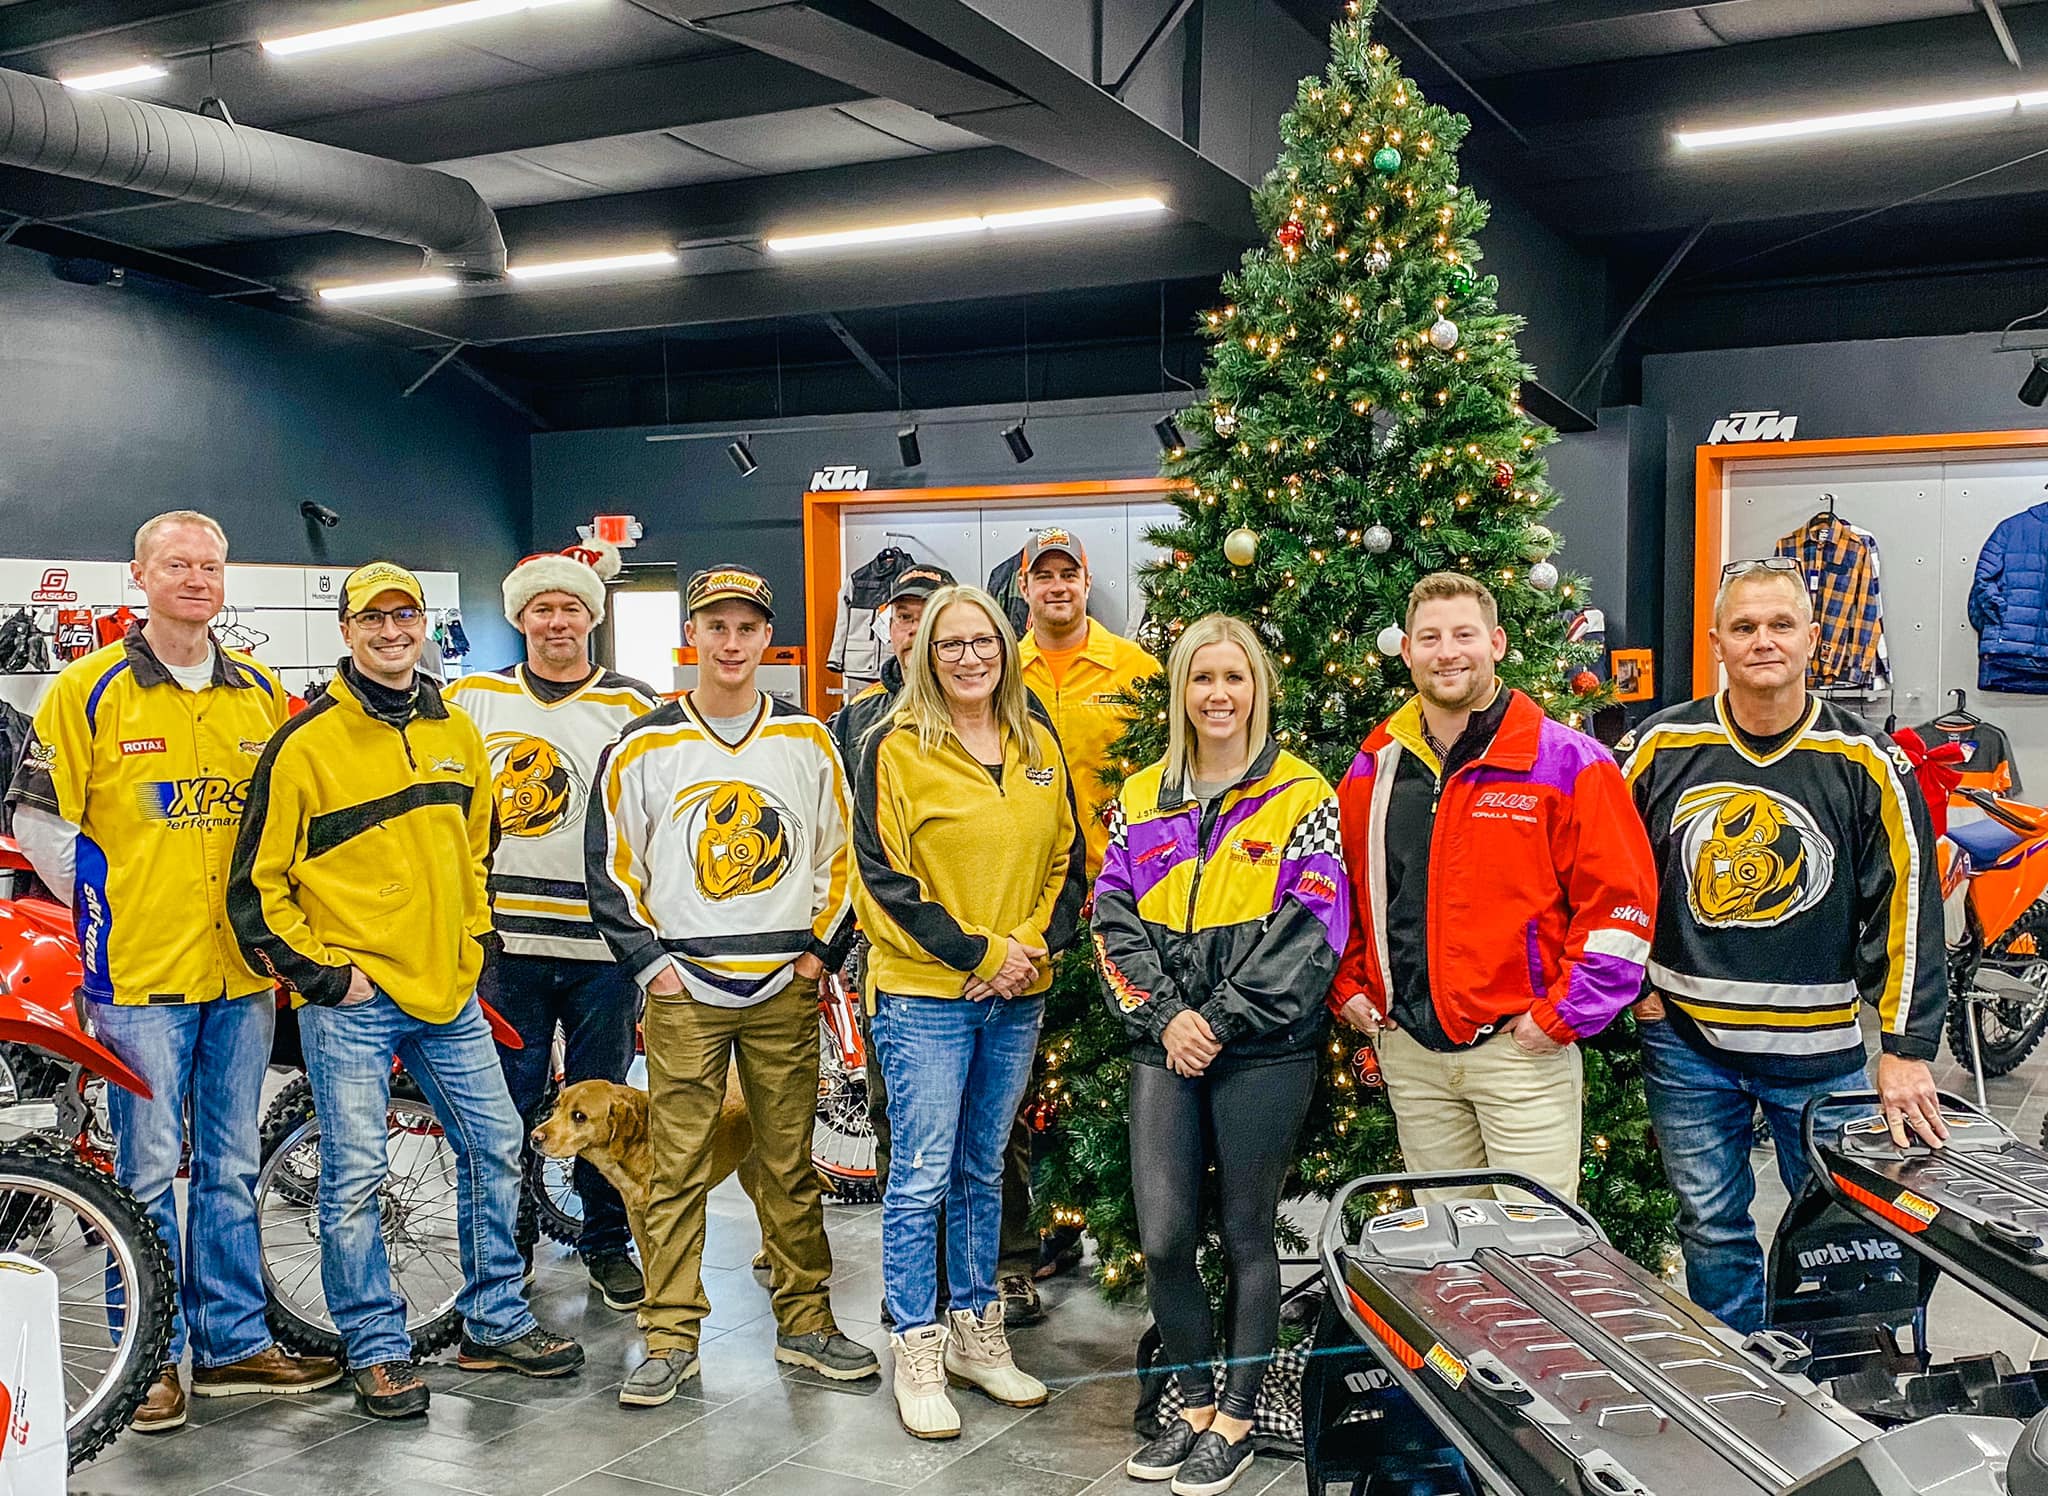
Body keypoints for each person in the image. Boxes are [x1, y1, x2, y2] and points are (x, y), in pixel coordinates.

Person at [5, 511, 340, 1432]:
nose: (196, 578)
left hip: (238, 972)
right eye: (177, 565)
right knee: (147, 1170)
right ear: (140, 577)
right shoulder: (87, 688)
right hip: (139, 974)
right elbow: (38, 822)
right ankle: (147, 1356)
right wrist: (106, 904)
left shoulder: (261, 691)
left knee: (229, 1165)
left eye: (210, 565)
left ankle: (231, 1349)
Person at [229, 560, 584, 1420]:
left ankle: (493, 1320)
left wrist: (472, 941)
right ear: (347, 632)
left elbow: (475, 849)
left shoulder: (458, 733)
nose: (392, 634)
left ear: (423, 627)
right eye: (373, 620)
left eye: (406, 618)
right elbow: (256, 887)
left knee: (498, 1145)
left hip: (448, 990)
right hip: (352, 996)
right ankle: (377, 1348)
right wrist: (324, 976)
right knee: (354, 1176)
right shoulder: (306, 743)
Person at [1621, 558, 1946, 1332]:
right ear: (1717, 644)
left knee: (1840, 1231)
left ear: (1813, 638)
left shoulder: (1867, 760)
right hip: (1688, 1047)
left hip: (1822, 1057)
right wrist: (1636, 988)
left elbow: (1907, 906)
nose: (1762, 640)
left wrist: (1904, 1046)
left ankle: (1837, 1394)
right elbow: (1601, 874)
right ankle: (1740, 1391)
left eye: (1779, 625)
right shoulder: (1658, 747)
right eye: (1744, 627)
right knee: (1711, 1228)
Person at [586, 565, 877, 1409]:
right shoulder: (643, 744)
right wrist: (652, 966)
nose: (731, 641)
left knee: (788, 1164)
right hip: (685, 991)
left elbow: (842, 852)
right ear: (695, 635)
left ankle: (806, 1322)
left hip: (784, 984)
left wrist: (821, 952)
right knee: (674, 1167)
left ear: (765, 638)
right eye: (715, 625)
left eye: (747, 627)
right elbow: (612, 865)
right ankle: (671, 1335)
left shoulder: (810, 741)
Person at [1092, 614, 1347, 1496]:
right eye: (1203, 679)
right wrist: (1169, 1017)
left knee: (1245, 1233)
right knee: (1163, 1236)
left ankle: (1236, 1419)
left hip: (1266, 1049)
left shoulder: (1301, 794)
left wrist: (1222, 1020)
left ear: (1257, 691)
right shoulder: (1139, 799)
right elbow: (1110, 919)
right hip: (1163, 1042)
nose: (1219, 695)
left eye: (1235, 678)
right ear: (1181, 692)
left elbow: (1314, 929)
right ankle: (1191, 1404)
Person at [1330, 572, 1657, 1202]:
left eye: (1463, 635)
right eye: (1429, 637)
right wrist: (1348, 987)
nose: (1446, 652)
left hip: (1521, 1055)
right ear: (1407, 652)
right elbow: (1343, 892)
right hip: (1413, 1054)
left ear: (1498, 644)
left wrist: (1561, 1014)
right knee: (1450, 1257)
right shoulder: (1374, 767)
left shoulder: (1570, 763)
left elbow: (1622, 907)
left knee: (1538, 1253)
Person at [854, 583, 1087, 1440]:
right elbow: (881, 880)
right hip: (925, 994)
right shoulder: (894, 747)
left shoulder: (1037, 742)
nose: (968, 657)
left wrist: (1027, 947)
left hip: (1018, 993)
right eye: (949, 645)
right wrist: (983, 954)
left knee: (983, 1168)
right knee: (918, 1175)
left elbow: (1070, 859)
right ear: (924, 655)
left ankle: (976, 1336)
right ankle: (914, 1346)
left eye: (981, 642)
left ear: (1005, 646)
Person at [447, 540, 661, 1310]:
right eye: (543, 607)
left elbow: (656, 813)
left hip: (604, 948)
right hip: (506, 946)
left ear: (592, 617)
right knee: (507, 1105)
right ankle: (511, 1249)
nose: (558, 620)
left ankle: (607, 1243)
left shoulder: (635, 704)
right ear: (520, 617)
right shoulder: (471, 698)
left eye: (572, 607)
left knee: (605, 1111)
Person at [1014, 526, 1160, 1296]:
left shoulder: (1134, 668)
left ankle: (1120, 1229)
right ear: (1026, 589)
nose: (1058, 587)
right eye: (1045, 577)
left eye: (1069, 574)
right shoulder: (1006, 670)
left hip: (1119, 897)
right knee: (1038, 1075)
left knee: (1109, 1070)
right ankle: (1049, 1227)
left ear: (1086, 581)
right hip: (1032, 903)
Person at [823, 561, 953, 1303]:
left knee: (984, 1126)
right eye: (903, 617)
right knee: (892, 1104)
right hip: (885, 948)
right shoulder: (857, 720)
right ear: (889, 628)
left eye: (926, 614)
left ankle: (995, 1268)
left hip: (978, 946)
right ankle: (912, 1276)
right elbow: (841, 834)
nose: (913, 628)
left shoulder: (987, 707)